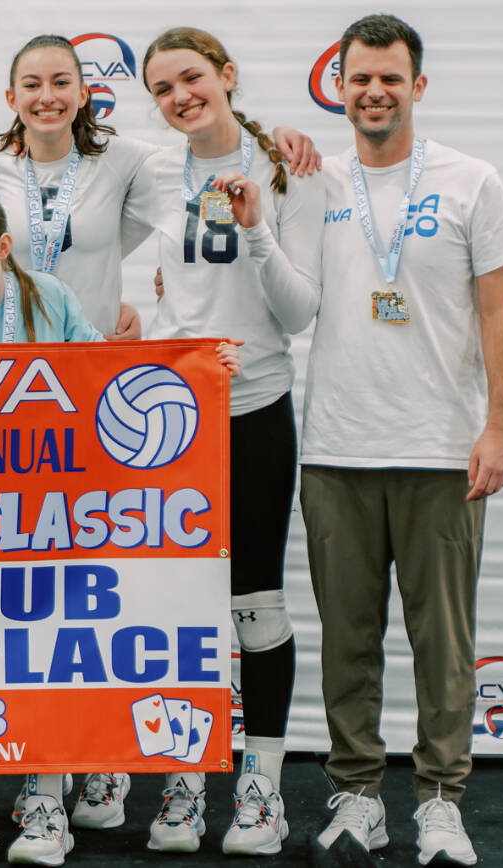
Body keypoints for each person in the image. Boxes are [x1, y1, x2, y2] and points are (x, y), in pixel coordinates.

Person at [0, 187, 238, 866]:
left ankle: (43, 804)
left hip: (53, 514)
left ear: (1, 247)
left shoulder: (50, 297)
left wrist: (201, 371)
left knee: (44, 658)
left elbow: (99, 374)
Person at [300, 15, 503, 868]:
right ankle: (357, 795)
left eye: (391, 77)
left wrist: (498, 425)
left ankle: (439, 801)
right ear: (340, 86)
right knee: (346, 640)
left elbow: (501, 310)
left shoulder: (472, 180)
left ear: (417, 86)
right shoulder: (311, 182)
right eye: (360, 78)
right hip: (336, 450)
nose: (375, 92)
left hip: (441, 451)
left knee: (444, 643)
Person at [138, 27, 324, 857]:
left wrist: (257, 231)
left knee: (255, 599)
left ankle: (261, 787)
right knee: (178, 605)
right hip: (172, 419)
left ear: (227, 76)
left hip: (255, 405)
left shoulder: (287, 165)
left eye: (193, 79)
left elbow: (298, 313)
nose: (181, 97)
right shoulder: (149, 170)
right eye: (163, 88)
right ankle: (182, 781)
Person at [0, 35, 318, 350]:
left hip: (93, 353)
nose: (47, 97)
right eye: (32, 85)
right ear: (12, 98)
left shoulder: (128, 160)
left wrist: (275, 136)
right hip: (8, 351)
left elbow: (208, 151)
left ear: (83, 93)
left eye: (61, 82)